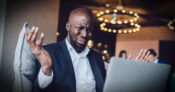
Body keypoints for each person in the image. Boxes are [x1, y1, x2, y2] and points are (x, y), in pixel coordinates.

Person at [25, 8, 106, 92]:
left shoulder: (97, 57)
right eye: (80, 28)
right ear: (68, 26)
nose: (84, 34)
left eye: (89, 30)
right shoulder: (48, 52)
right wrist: (46, 69)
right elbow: (37, 89)